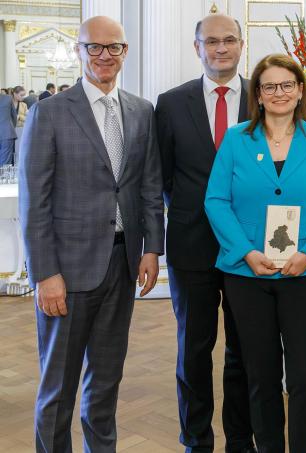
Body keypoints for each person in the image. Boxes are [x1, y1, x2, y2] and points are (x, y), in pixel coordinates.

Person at [19, 16, 163, 452]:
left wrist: (152, 249)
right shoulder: (50, 113)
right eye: (94, 47)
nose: (104, 55)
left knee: (105, 383)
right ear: (80, 52)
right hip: (67, 272)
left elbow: (148, 186)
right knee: (58, 389)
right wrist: (45, 274)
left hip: (121, 267)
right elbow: (35, 202)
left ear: (124, 52)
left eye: (113, 47)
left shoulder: (141, 111)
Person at [204, 53, 306, 453]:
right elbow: (216, 200)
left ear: (300, 91)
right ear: (258, 95)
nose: (279, 93)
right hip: (249, 275)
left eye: (287, 85)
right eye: (269, 86)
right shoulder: (236, 139)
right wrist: (245, 251)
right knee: (259, 375)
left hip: (304, 274)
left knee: (305, 376)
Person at [155, 13, 255, 453]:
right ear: (197, 47)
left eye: (228, 40)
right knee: (194, 350)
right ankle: (197, 439)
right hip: (192, 246)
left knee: (245, 350)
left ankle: (239, 439)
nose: (220, 48)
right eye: (211, 41)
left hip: (250, 248)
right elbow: (162, 175)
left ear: (241, 44)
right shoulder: (171, 103)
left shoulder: (265, 95)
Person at [0, 92, 15, 165]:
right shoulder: (8, 98)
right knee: (5, 162)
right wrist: (12, 127)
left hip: (6, 133)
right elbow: (14, 116)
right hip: (6, 132)